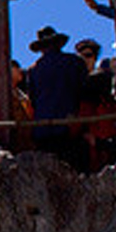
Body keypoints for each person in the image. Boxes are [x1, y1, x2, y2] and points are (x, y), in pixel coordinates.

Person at [24, 26, 87, 167]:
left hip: (42, 128)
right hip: (69, 125)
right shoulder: (74, 62)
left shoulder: (33, 70)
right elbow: (83, 91)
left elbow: (32, 99)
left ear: (41, 48)